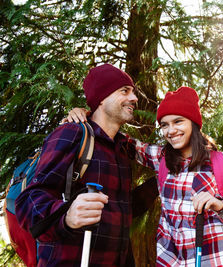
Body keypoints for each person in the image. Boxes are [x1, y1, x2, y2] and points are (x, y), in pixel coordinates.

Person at [67, 86, 223, 266]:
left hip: (216, 260)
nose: (171, 131)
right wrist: (87, 116)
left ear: (194, 123)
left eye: (178, 121)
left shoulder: (222, 162)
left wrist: (219, 205)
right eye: (164, 125)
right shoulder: (161, 159)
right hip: (170, 261)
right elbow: (116, 135)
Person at [16, 64, 139, 266]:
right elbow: (29, 200)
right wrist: (66, 216)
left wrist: (161, 186)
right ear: (101, 98)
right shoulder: (73, 133)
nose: (134, 98)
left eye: (133, 92)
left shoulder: (123, 149)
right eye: (124, 91)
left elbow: (121, 212)